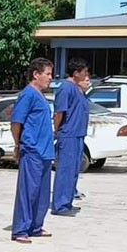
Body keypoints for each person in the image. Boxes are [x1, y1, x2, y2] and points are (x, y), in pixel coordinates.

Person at [10, 58, 56, 243]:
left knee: (42, 193)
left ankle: (35, 226)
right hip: (32, 149)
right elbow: (16, 122)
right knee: (28, 191)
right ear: (36, 74)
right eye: (47, 74)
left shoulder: (41, 95)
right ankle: (21, 228)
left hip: (45, 151)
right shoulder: (27, 94)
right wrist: (17, 144)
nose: (50, 78)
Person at [51, 58, 90, 216]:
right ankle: (60, 205)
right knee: (65, 170)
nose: (87, 76)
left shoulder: (77, 89)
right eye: (84, 73)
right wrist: (57, 130)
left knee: (74, 170)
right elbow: (59, 112)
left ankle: (67, 201)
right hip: (68, 135)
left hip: (78, 135)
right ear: (75, 73)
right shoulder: (66, 88)